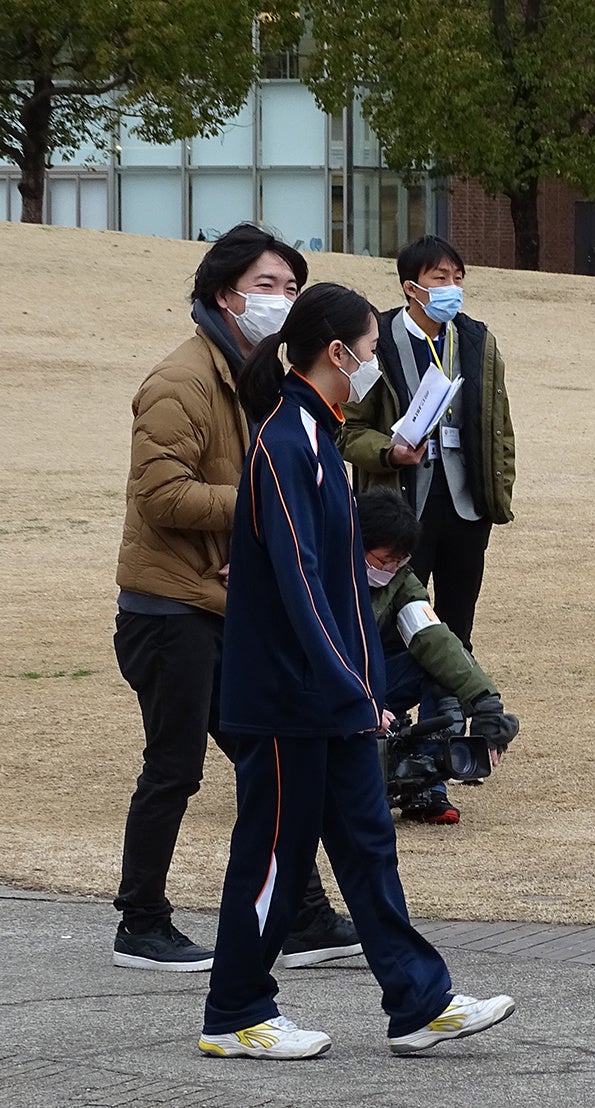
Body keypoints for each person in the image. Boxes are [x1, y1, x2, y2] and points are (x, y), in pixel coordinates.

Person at [199, 282, 513, 1060]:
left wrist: (360, 685)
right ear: (337, 353)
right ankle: (236, 1011)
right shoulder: (286, 442)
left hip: (331, 696)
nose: (376, 364)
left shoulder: (319, 436)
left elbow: (338, 585)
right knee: (271, 853)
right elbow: (303, 581)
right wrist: (352, 684)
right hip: (285, 699)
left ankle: (419, 1000)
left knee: (369, 845)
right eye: (371, 351)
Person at [112, 223, 359, 972]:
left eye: (289, 288)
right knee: (175, 766)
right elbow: (162, 497)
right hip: (168, 613)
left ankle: (303, 917)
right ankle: (141, 924)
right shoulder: (180, 381)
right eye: (265, 287)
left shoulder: (255, 376)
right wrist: (259, 515)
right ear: (223, 294)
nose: (280, 302)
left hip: (223, 609)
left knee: (267, 758)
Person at [340, 235, 515, 653]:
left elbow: (501, 425)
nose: (451, 288)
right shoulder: (375, 339)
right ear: (410, 287)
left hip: (466, 505)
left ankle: (451, 715)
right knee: (392, 624)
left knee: (458, 626)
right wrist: (388, 452)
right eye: (440, 278)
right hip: (400, 504)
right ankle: (393, 714)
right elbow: (348, 430)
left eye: (457, 278)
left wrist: (499, 488)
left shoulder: (476, 340)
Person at [356, 490, 519, 825]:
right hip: (323, 691)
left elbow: (435, 640)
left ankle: (430, 783)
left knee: (436, 670)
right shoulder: (316, 568)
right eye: (384, 559)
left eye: (399, 561)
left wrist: (485, 701)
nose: (390, 569)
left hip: (370, 685)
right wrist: (360, 701)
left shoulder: (400, 579)